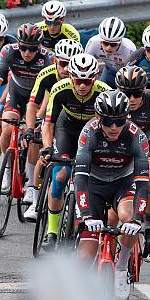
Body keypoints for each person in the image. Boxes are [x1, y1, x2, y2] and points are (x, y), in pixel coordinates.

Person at [74, 90, 149, 300]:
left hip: (122, 183)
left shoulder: (136, 136)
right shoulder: (89, 133)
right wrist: (87, 215)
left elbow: (143, 183)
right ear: (98, 118)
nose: (114, 127)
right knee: (85, 255)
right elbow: (79, 179)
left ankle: (122, 268)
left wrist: (138, 218)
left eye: (119, 121)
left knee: (128, 216)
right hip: (94, 183)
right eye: (108, 122)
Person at [40, 53, 110, 251]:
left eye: (87, 81)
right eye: (78, 80)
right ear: (71, 77)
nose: (82, 86)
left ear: (95, 78)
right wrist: (47, 148)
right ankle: (51, 232)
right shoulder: (59, 89)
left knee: (89, 177)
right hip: (67, 129)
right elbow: (49, 124)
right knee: (60, 174)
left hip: (92, 133)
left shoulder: (103, 92)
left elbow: (106, 128)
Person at [115, 66, 150, 262]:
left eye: (136, 93)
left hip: (148, 142)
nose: (131, 99)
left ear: (144, 90)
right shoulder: (112, 101)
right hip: (119, 146)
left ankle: (148, 225)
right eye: (126, 93)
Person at [22, 38, 81, 220]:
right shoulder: (46, 74)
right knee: (40, 147)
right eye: (63, 63)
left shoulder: (80, 78)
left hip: (67, 119)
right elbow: (32, 105)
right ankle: (35, 197)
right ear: (55, 60)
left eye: (71, 64)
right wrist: (30, 129)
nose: (67, 69)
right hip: (48, 114)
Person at [0, 23, 51, 201]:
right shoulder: (8, 51)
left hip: (38, 97)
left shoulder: (47, 57)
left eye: (32, 48)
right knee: (6, 128)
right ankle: (7, 169)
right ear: (18, 44)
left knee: (34, 137)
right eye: (23, 48)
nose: (27, 52)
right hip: (17, 94)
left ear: (40, 47)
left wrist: (40, 116)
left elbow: (49, 91)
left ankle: (30, 184)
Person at [85, 16, 137, 88]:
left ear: (120, 42)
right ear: (100, 40)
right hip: (109, 70)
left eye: (113, 44)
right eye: (105, 43)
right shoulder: (93, 43)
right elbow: (85, 65)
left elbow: (132, 73)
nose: (108, 47)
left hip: (125, 73)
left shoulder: (129, 48)